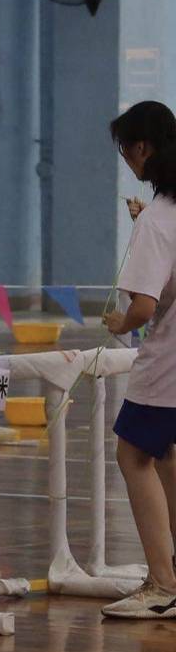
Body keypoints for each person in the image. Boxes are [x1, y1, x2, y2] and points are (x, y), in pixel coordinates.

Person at [101, 100, 176, 619]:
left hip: (168, 364)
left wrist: (120, 323)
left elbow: (145, 304)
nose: (127, 161)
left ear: (143, 149)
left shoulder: (158, 217)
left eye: (126, 151)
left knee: (134, 455)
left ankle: (162, 583)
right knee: (169, 459)